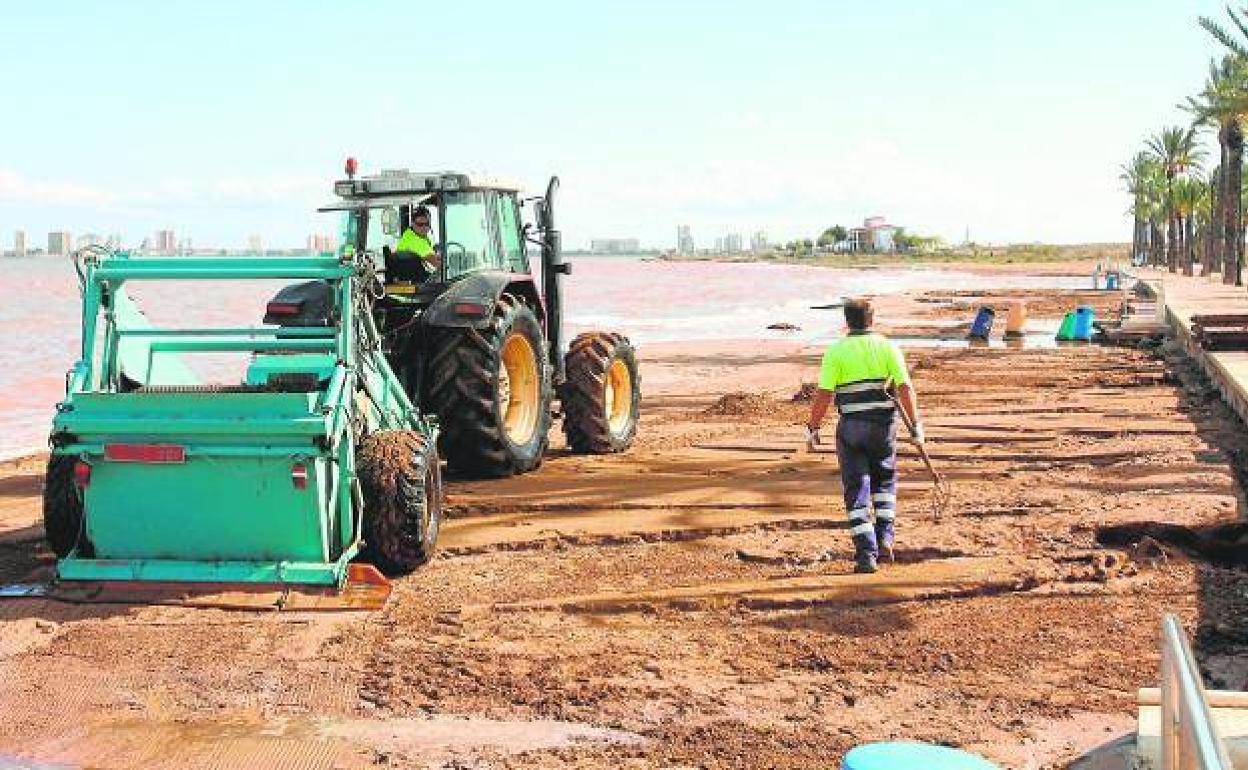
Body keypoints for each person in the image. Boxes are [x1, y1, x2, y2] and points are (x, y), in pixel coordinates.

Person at [805, 298, 923, 574]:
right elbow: (905, 388)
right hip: (883, 427)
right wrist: (916, 427)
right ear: (872, 320)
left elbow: (824, 395)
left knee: (856, 488)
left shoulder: (835, 351)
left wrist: (813, 427)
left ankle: (866, 553)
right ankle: (885, 537)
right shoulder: (888, 347)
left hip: (852, 427)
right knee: (885, 482)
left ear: (846, 321)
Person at [392, 205, 441, 281]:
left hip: (414, 278)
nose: (424, 228)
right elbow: (438, 265)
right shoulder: (415, 241)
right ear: (412, 223)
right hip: (417, 283)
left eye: (427, 224)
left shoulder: (409, 234)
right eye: (420, 224)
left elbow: (432, 257)